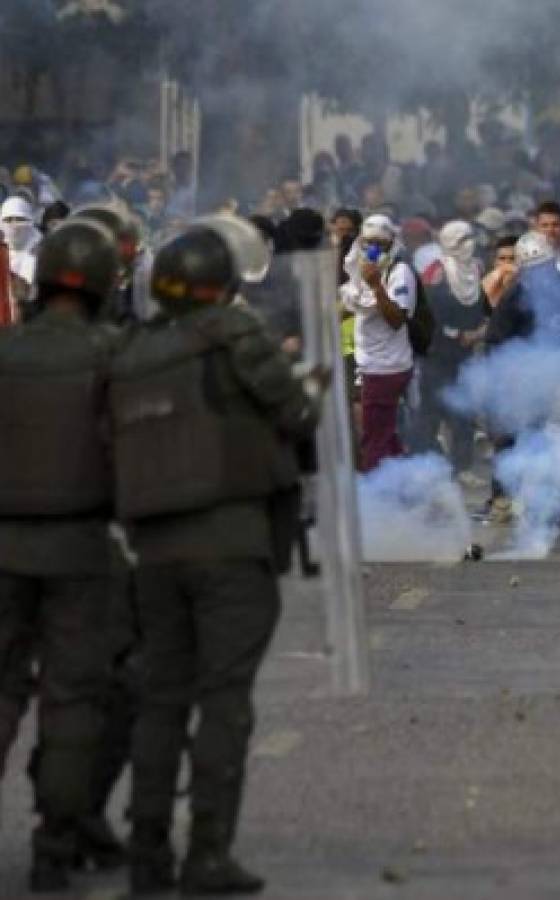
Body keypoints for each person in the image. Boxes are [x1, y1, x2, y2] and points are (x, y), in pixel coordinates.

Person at [108, 217, 325, 895]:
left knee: (161, 701)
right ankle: (205, 852)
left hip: (152, 549)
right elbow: (296, 413)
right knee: (224, 704)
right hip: (232, 541)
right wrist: (312, 385)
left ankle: (147, 850)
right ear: (221, 284)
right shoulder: (235, 333)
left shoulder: (132, 350)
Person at [0, 219, 124, 892]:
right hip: (80, 548)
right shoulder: (115, 355)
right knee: (73, 700)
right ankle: (55, 844)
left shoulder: (6, 350)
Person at [409, 221, 489, 481]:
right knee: (431, 409)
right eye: (463, 240)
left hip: (466, 353)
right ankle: (425, 465)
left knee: (463, 410)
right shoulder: (436, 272)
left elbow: (484, 307)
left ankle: (462, 466)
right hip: (438, 352)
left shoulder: (475, 270)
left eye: (470, 239)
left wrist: (479, 331)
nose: (469, 245)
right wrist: (455, 334)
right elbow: (426, 313)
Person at [340, 214, 420, 472]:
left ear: (391, 244)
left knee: (374, 437)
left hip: (386, 366)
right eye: (367, 243)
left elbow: (397, 319)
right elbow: (350, 305)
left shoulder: (399, 272)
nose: (373, 250)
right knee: (385, 433)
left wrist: (376, 286)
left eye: (380, 244)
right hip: (369, 362)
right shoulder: (359, 271)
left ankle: (374, 495)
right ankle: (408, 484)